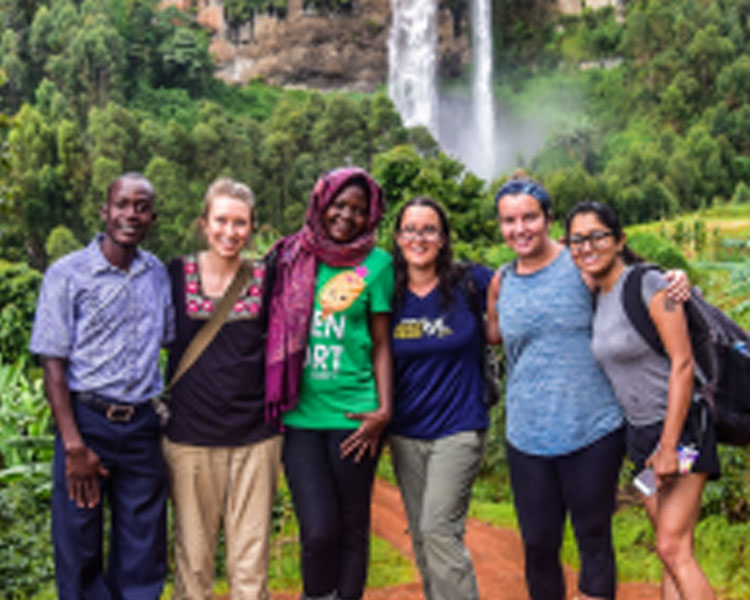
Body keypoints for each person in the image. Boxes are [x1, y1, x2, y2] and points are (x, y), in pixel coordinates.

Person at [29, 173, 173, 599]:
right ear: (105, 212)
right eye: (123, 204)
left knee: (143, 548)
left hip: (142, 426)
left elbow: (169, 341)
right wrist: (74, 446)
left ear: (152, 218)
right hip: (87, 424)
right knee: (78, 547)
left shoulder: (157, 276)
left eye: (141, 207)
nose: (132, 214)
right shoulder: (67, 274)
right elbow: (53, 365)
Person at [565, 201, 719, 600]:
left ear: (620, 240)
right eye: (577, 240)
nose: (587, 246)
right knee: (669, 551)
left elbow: (683, 364)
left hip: (682, 429)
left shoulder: (648, 283)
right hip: (641, 435)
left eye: (598, 235)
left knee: (673, 546)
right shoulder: (599, 294)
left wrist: (669, 446)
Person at [265, 167, 393, 600]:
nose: (347, 216)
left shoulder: (378, 264)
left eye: (359, 210)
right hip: (300, 414)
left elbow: (380, 343)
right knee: (318, 530)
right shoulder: (289, 256)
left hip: (355, 414)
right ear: (321, 204)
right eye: (339, 205)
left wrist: (384, 410)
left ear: (371, 215)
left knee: (353, 525)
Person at [162, 178, 281, 599]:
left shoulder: (268, 278)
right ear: (204, 223)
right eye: (221, 221)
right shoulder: (175, 273)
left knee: (250, 564)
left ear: (252, 228)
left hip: (256, 439)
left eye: (240, 223)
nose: (230, 232)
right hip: (190, 439)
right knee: (193, 563)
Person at [388, 196, 491, 600]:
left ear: (443, 238)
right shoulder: (388, 293)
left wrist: (653, 275)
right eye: (411, 229)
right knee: (422, 536)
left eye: (429, 229)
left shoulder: (470, 282)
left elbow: (529, 274)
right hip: (406, 433)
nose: (419, 238)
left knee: (437, 528)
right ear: (398, 238)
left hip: (460, 426)